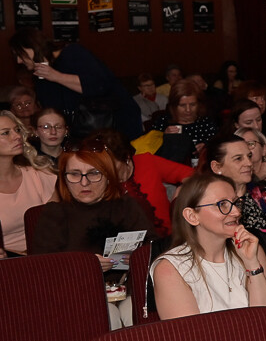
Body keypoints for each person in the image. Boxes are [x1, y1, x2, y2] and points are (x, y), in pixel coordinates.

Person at [150, 172, 266, 319]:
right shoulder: (171, 269)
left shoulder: (250, 250)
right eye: (222, 204)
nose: (236, 212)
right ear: (192, 216)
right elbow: (189, 338)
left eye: (236, 203)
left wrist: (252, 264)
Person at [30, 143, 155, 264]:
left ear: (108, 177)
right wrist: (85, 265)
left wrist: (139, 257)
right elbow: (43, 267)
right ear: (64, 179)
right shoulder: (54, 214)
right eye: (74, 174)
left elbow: (153, 248)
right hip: (73, 284)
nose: (84, 183)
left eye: (94, 173)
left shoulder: (126, 206)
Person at [9, 27, 143, 140]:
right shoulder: (40, 74)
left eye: (20, 54)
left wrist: (56, 76)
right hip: (83, 134)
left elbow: (99, 85)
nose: (19, 61)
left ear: (32, 46)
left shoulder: (73, 53)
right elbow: (51, 107)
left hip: (116, 127)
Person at [207, 134, 266, 242]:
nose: (249, 163)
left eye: (249, 156)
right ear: (217, 167)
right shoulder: (209, 204)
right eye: (238, 158)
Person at [0, 111, 56, 256]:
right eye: (5, 133)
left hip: (45, 255)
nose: (17, 136)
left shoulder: (39, 175)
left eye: (17, 130)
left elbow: (58, 226)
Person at [151, 80, 219, 162]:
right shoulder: (163, 121)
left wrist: (207, 148)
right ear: (174, 105)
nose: (188, 110)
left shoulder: (206, 122)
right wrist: (164, 137)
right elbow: (151, 152)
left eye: (192, 104)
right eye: (182, 105)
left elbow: (219, 146)